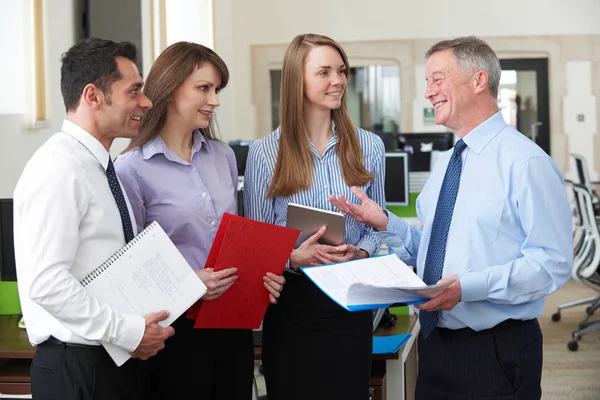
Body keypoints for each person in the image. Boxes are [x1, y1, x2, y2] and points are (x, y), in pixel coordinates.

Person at [329, 36, 573, 400]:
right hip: (435, 343)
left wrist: (465, 289)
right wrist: (385, 223)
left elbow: (551, 264)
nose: (429, 92)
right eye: (427, 82)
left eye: (437, 79)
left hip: (495, 349)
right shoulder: (447, 163)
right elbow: (431, 248)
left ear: (478, 81)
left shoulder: (526, 163)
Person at [114, 41, 285, 400]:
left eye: (217, 89)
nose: (215, 100)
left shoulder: (222, 156)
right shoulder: (132, 169)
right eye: (204, 88)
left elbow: (235, 239)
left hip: (232, 326)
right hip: (174, 333)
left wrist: (261, 275)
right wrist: (187, 284)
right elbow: (128, 269)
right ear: (171, 88)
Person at [13, 38, 174, 400]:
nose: (146, 102)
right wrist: (127, 331)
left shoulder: (99, 166)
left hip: (115, 360)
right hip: (79, 369)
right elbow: (47, 282)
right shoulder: (59, 167)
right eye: (134, 91)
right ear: (93, 96)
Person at [244, 33, 386, 400]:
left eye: (341, 71)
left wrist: (363, 252)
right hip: (293, 308)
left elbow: (377, 226)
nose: (337, 80)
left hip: (350, 300)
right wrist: (292, 257)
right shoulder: (264, 153)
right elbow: (259, 246)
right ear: (297, 79)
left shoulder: (369, 146)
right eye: (324, 72)